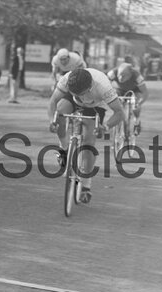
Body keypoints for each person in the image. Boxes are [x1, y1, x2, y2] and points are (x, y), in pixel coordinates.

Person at [47, 68, 125, 204]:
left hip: (95, 105)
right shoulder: (67, 80)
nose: (81, 97)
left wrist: (105, 127)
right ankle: (64, 147)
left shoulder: (103, 86)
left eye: (82, 94)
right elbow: (52, 101)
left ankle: (86, 185)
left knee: (88, 144)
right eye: (76, 93)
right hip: (71, 100)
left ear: (90, 87)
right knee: (59, 114)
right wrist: (51, 121)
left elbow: (119, 113)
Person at [107, 61, 148, 136]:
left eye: (123, 76)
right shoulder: (112, 73)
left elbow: (145, 93)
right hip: (119, 89)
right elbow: (105, 86)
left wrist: (139, 103)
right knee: (116, 101)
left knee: (136, 104)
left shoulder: (137, 76)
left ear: (130, 75)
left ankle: (137, 121)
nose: (120, 78)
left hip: (134, 91)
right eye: (119, 75)